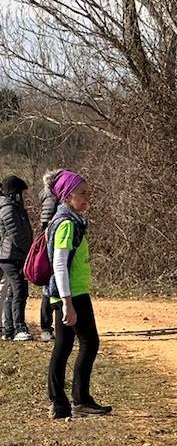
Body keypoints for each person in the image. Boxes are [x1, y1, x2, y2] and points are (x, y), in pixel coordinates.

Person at [46, 171, 109, 418]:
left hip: (67, 293)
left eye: (88, 193)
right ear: (67, 195)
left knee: (63, 346)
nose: (87, 198)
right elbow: (59, 265)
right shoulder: (67, 224)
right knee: (89, 343)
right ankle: (80, 400)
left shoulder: (67, 220)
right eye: (82, 193)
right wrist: (67, 303)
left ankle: (59, 404)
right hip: (72, 295)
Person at [0, 175, 33, 341]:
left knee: (14, 292)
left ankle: (9, 330)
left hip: (15, 255)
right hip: (10, 256)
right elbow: (17, 235)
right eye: (23, 193)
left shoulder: (16, 208)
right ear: (15, 193)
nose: (26, 196)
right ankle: (19, 327)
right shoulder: (9, 209)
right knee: (19, 290)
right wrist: (30, 250)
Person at [37, 171, 58, 342]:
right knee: (49, 287)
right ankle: (46, 327)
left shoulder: (49, 196)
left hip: (52, 241)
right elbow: (47, 222)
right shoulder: (51, 198)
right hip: (51, 243)